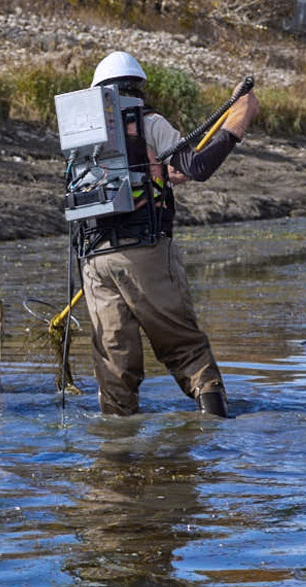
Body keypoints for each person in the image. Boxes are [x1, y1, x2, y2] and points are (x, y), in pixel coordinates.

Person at [75, 51, 259, 417]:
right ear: (138, 90)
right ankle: (216, 427)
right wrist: (236, 124)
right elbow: (197, 166)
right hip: (145, 252)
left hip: (94, 260)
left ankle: (118, 452)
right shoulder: (149, 122)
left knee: (114, 363)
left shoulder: (81, 136)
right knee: (184, 347)